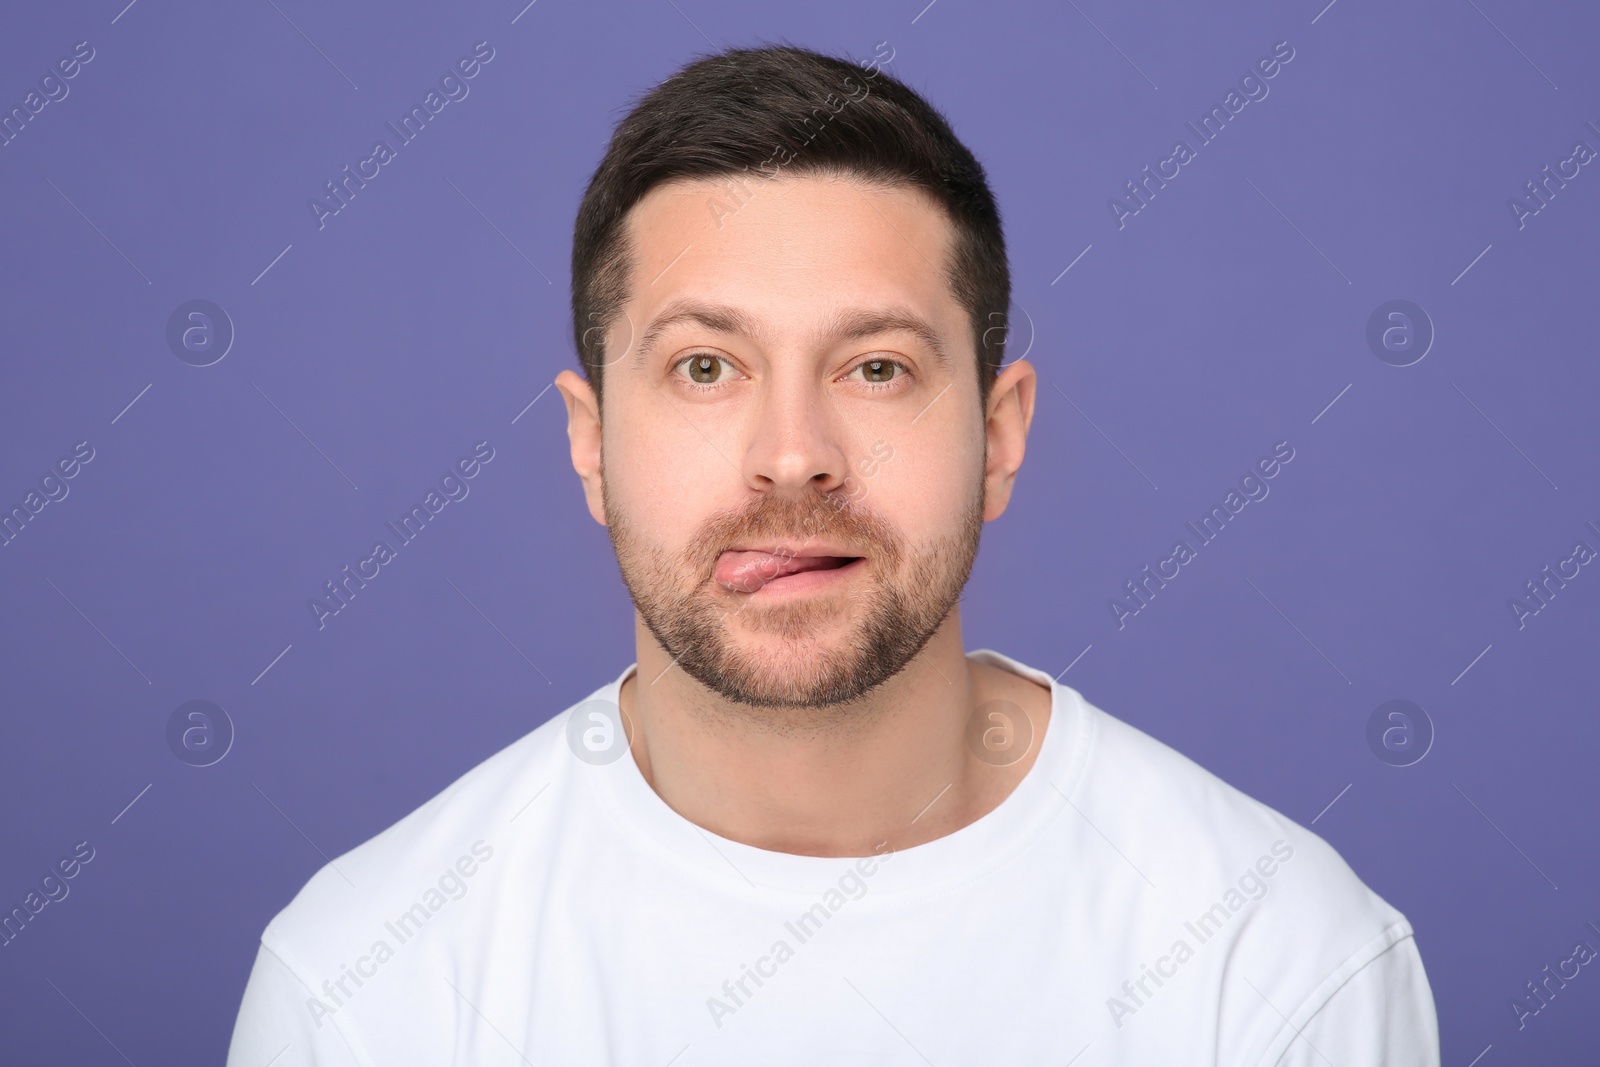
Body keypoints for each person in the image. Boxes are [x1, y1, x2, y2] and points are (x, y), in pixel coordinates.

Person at [226, 43, 1439, 1065]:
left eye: (876, 367)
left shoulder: (1276, 963)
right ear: (591, 445)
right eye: (706, 366)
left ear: (999, 435)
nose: (793, 456)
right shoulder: (366, 988)